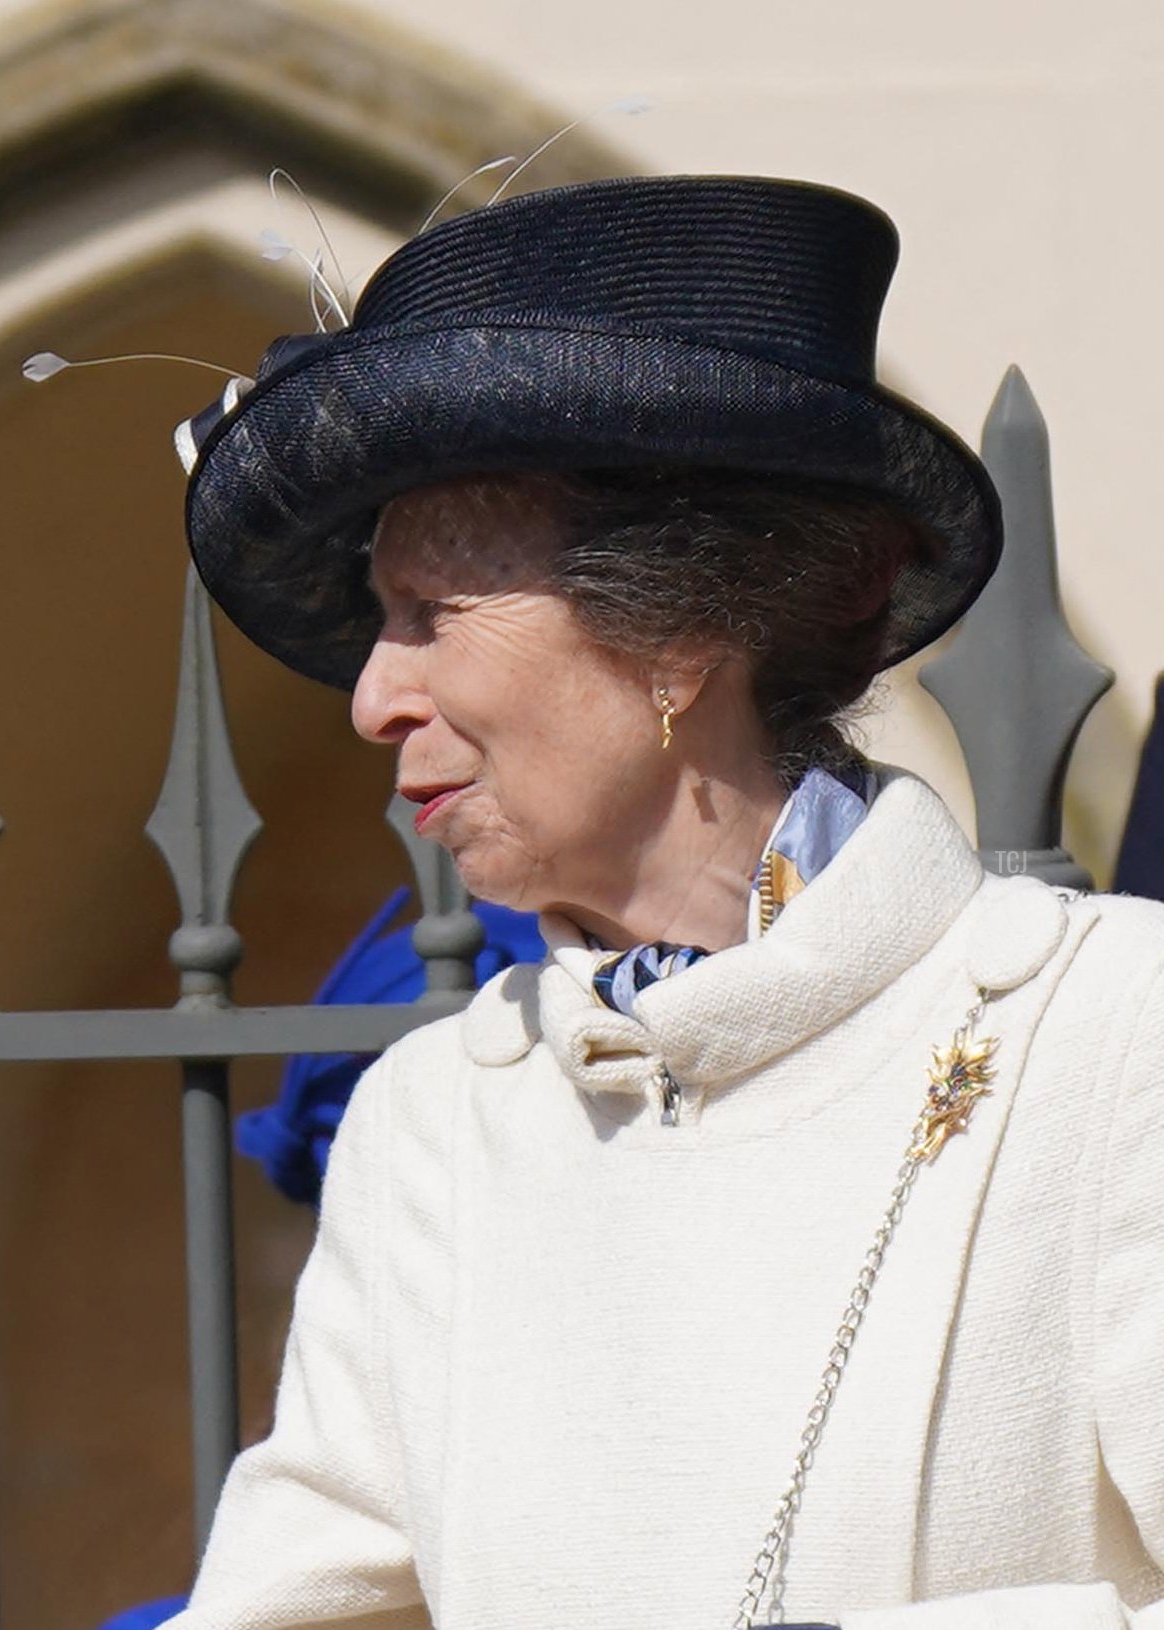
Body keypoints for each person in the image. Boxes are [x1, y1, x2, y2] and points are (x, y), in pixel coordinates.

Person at [161, 177, 1164, 1628]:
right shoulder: (432, 1122)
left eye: (432, 614)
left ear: (682, 631)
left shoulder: (1108, 1037)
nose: (374, 697)